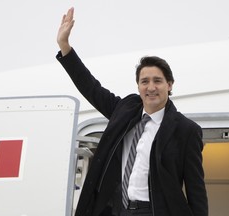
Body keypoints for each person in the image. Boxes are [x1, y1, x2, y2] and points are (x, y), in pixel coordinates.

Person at [56, 7, 208, 216]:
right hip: (116, 210)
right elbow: (91, 88)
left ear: (170, 85)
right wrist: (65, 46)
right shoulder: (124, 111)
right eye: (145, 81)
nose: (151, 87)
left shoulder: (186, 130)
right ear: (138, 86)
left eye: (158, 81)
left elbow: (196, 190)